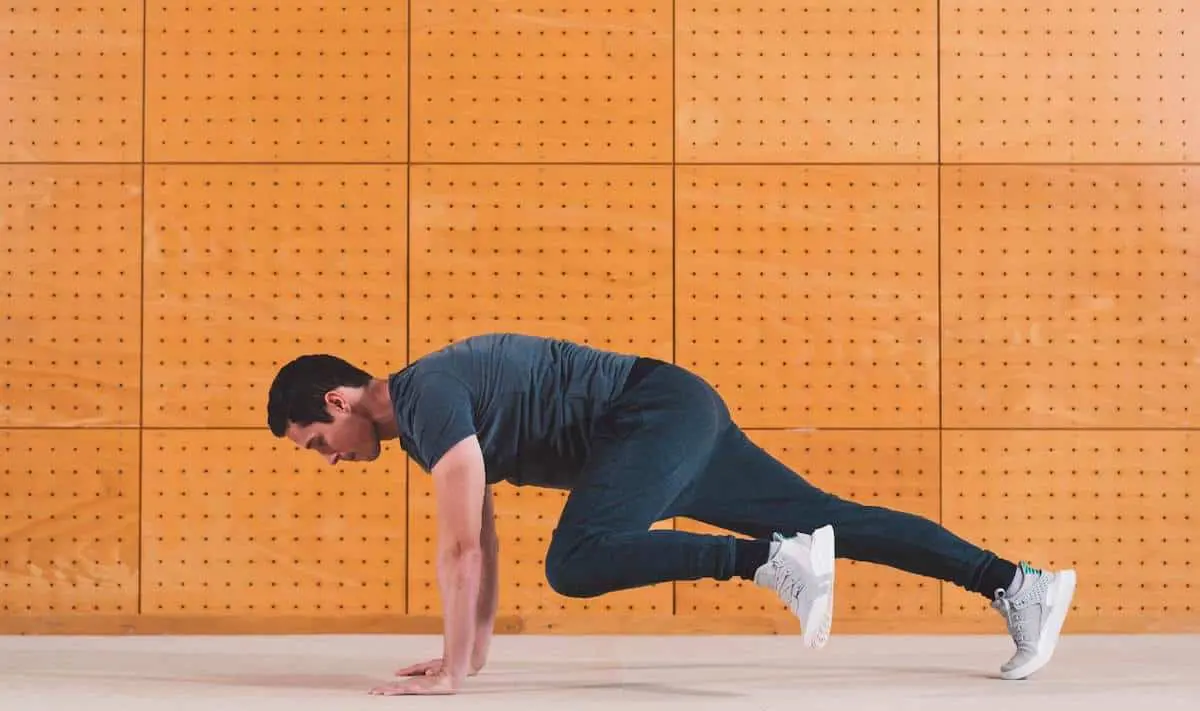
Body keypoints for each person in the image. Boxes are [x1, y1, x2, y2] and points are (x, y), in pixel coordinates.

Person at [266, 332, 1077, 695]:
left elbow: (461, 552)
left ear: (339, 399)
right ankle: (1017, 582)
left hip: (652, 416)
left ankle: (766, 559)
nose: (329, 458)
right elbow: (481, 537)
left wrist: (448, 670)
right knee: (836, 520)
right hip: (662, 422)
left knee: (579, 559)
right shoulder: (425, 420)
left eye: (317, 441)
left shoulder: (425, 394)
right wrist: (464, 662)